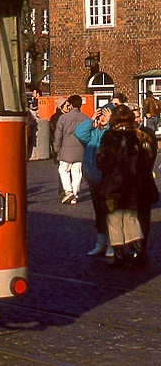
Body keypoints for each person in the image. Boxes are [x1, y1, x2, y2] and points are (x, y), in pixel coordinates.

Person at [96, 105, 158, 266]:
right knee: (132, 219)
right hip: (137, 185)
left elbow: (102, 162)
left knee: (115, 220)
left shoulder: (110, 136)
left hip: (114, 185)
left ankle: (119, 256)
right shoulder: (141, 135)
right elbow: (149, 159)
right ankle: (139, 252)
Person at [76, 105, 113, 257]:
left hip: (107, 180)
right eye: (101, 115)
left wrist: (111, 123)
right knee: (99, 213)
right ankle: (100, 243)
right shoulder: (92, 134)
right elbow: (79, 133)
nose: (102, 118)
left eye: (105, 115)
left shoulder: (110, 134)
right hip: (93, 181)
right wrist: (91, 119)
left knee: (110, 213)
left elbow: (113, 137)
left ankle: (112, 244)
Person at [52, 95, 88, 204]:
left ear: (71, 105)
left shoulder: (63, 118)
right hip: (80, 149)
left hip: (65, 149)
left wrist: (56, 148)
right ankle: (75, 195)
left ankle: (68, 191)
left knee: (63, 170)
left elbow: (58, 135)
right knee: (77, 173)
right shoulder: (85, 118)